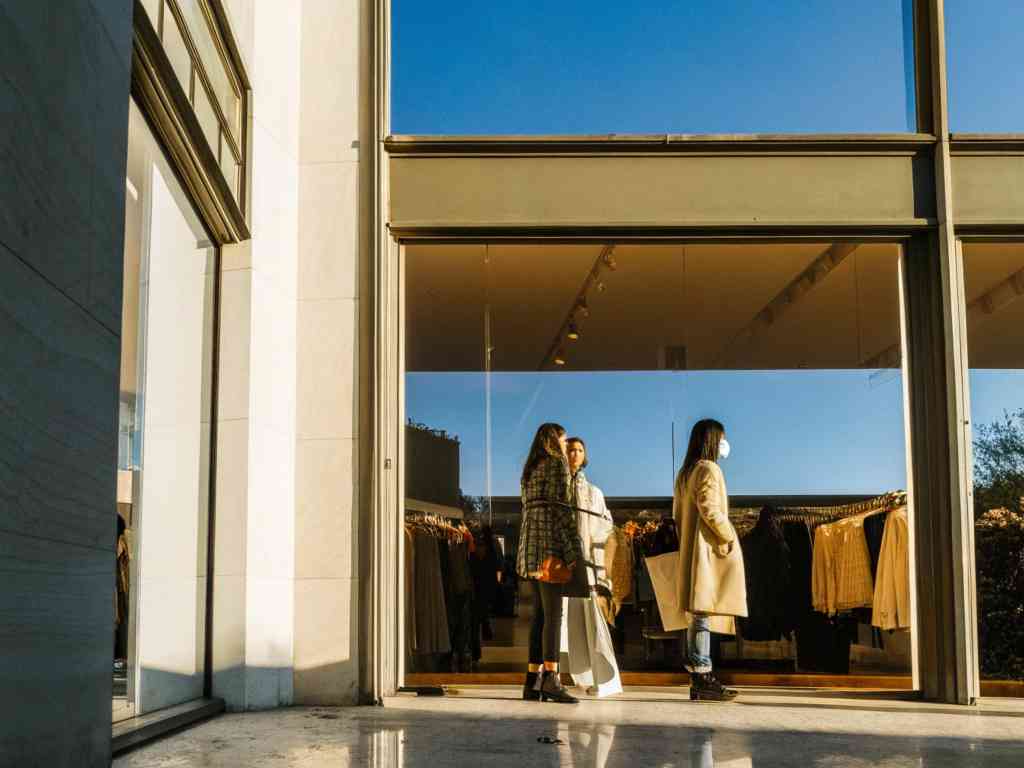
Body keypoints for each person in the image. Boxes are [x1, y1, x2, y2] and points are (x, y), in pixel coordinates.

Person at [674, 418, 748, 702]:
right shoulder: (708, 469)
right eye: (723, 437)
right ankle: (703, 675)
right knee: (702, 616)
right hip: (706, 550)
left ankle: (699, 676)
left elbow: (680, 515)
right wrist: (729, 534)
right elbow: (710, 508)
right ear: (714, 439)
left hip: (692, 549)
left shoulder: (685, 473)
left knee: (698, 615)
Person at [517, 422, 582, 704]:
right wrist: (574, 550)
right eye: (564, 439)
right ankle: (552, 680)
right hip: (551, 548)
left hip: (531, 548)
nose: (567, 445)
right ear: (555, 439)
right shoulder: (557, 464)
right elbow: (562, 510)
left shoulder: (530, 468)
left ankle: (532, 681)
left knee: (540, 616)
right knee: (554, 615)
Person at [560, 437, 623, 697]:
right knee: (570, 622)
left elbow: (603, 528)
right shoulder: (558, 490)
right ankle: (578, 676)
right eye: (570, 449)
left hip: (587, 564)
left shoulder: (593, 492)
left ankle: (605, 679)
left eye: (579, 450)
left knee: (593, 620)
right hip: (566, 563)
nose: (574, 454)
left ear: (584, 455)